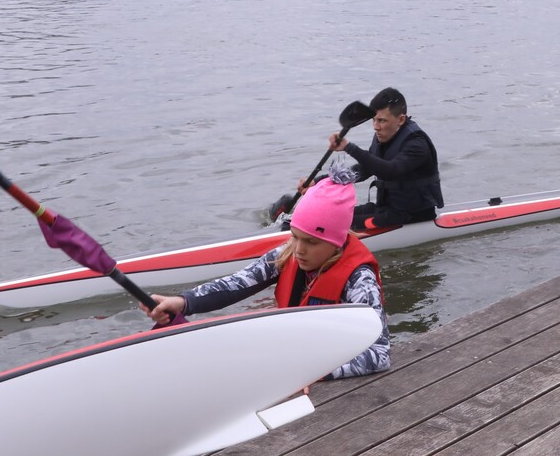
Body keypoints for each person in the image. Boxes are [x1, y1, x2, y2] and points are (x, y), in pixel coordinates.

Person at [145, 161, 390, 379]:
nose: (299, 250)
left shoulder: (360, 281)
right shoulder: (287, 253)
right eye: (295, 236)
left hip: (321, 374)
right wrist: (182, 302)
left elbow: (379, 354)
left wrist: (310, 370)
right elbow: (237, 283)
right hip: (295, 358)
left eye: (311, 242)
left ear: (336, 242)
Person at [328, 87, 443, 230]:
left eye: (381, 120)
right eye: (374, 120)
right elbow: (363, 170)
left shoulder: (417, 144)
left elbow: (390, 171)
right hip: (386, 210)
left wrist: (349, 147)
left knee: (335, 223)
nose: (376, 127)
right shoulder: (382, 136)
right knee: (330, 214)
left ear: (401, 119)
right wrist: (321, 182)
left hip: (412, 215)